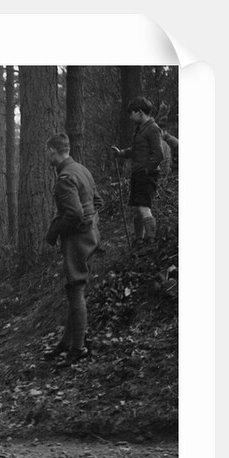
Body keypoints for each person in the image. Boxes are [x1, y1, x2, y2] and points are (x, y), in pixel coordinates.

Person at [43, 133, 102, 367]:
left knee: (75, 289)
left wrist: (55, 231)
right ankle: (68, 342)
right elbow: (97, 203)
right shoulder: (82, 169)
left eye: (47, 151)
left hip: (77, 240)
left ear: (54, 151)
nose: (46, 155)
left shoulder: (65, 177)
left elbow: (75, 213)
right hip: (88, 236)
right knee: (73, 289)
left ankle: (78, 348)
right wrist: (91, 224)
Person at [111, 96, 165, 251]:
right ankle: (139, 241)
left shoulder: (153, 129)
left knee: (143, 207)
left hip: (146, 175)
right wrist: (121, 153)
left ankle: (151, 243)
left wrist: (147, 169)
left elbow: (159, 154)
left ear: (140, 112)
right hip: (138, 174)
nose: (130, 116)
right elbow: (136, 151)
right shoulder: (140, 130)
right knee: (137, 208)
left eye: (132, 113)